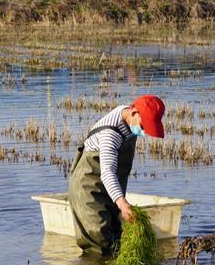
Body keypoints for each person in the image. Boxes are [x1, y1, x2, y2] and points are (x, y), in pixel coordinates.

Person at [68, 95, 166, 256]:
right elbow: (107, 171)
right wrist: (123, 204)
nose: (143, 132)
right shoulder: (110, 134)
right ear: (134, 112)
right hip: (88, 188)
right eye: (143, 126)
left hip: (110, 189)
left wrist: (118, 201)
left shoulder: (127, 116)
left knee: (116, 238)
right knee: (99, 243)